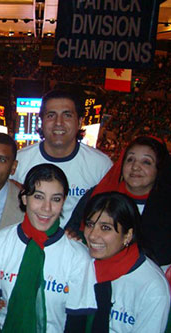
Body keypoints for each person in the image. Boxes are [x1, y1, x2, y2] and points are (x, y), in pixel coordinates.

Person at [0, 163, 97, 332]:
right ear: (25, 198)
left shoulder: (77, 256)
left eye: (55, 199)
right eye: (39, 197)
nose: (46, 208)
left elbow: (76, 323)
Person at [11, 89, 112, 227]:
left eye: (67, 115)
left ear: (80, 121)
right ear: (41, 121)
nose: (59, 122)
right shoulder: (19, 161)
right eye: (51, 115)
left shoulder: (101, 165)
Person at [65, 136, 171, 267]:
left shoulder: (166, 208)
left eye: (146, 162)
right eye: (130, 159)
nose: (135, 167)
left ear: (159, 169)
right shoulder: (99, 195)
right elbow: (74, 229)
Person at [82, 192, 170, 332]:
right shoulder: (82, 263)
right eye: (90, 224)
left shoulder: (151, 286)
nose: (92, 235)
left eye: (105, 228)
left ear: (128, 235)